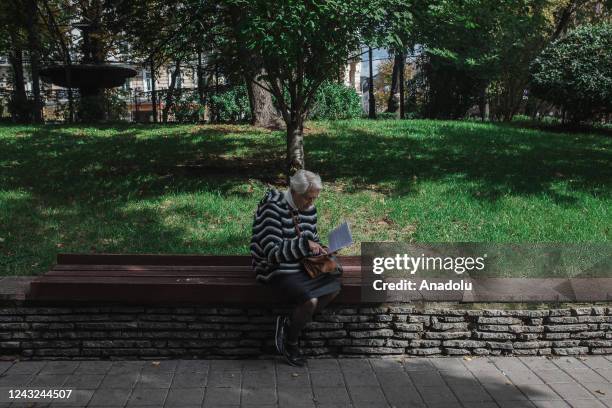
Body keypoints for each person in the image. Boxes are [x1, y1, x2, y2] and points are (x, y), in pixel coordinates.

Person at [250, 169, 341, 366]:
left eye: (314, 198)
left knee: (333, 287)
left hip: (301, 264)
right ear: (294, 191)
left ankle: (290, 324)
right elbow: (271, 253)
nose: (311, 203)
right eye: (308, 198)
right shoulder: (272, 208)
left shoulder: (309, 209)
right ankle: (290, 342)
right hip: (276, 267)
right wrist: (305, 246)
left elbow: (312, 239)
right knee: (310, 301)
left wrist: (323, 250)